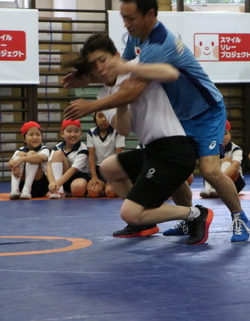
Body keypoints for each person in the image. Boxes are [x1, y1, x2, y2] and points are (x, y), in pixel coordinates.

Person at [62, 0, 250, 242]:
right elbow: (121, 75)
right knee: (172, 175)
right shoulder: (134, 40)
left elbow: (131, 89)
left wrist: (93, 105)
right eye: (123, 18)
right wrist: (87, 75)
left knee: (210, 170)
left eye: (131, 18)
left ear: (150, 15)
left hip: (205, 110)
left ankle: (239, 217)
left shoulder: (159, 44)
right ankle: (186, 220)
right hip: (179, 114)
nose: (126, 24)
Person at [80, 32, 213, 244]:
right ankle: (143, 222)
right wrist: (121, 101)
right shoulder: (104, 95)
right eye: (94, 65)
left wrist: (128, 70)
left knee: (129, 212)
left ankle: (195, 215)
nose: (100, 68)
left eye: (103, 60)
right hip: (153, 150)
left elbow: (169, 72)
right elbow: (123, 129)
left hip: (174, 147)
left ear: (116, 54)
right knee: (109, 167)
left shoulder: (137, 65)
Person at [200, 120, 245, 198]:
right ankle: (208, 189)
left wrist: (219, 180)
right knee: (208, 164)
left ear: (231, 134)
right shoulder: (211, 148)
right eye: (218, 134)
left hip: (234, 182)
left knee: (227, 160)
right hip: (212, 182)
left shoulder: (236, 148)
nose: (222, 137)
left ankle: (218, 187)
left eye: (225, 133)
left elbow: (235, 165)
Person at [47, 119, 91, 198]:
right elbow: (49, 165)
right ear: (62, 134)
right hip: (61, 178)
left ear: (81, 134)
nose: (73, 134)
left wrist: (57, 184)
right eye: (69, 131)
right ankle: (59, 190)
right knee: (58, 154)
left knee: (78, 188)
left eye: (76, 131)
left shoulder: (83, 149)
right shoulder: (58, 147)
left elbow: (73, 170)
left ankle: (61, 190)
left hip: (78, 176)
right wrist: (51, 182)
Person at [86, 111, 124, 198]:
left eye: (107, 116)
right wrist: (94, 177)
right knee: (93, 192)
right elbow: (91, 155)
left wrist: (114, 177)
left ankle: (106, 189)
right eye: (100, 116)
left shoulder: (118, 132)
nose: (103, 119)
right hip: (98, 170)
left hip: (112, 169)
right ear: (95, 117)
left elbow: (119, 156)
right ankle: (102, 189)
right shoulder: (90, 132)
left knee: (110, 192)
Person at [9, 121, 50, 200]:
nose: (35, 137)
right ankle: (15, 189)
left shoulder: (44, 149)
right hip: (22, 184)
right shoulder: (20, 150)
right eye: (31, 135)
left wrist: (22, 159)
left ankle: (26, 190)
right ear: (24, 139)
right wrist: (14, 166)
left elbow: (42, 158)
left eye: (38, 134)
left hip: (40, 186)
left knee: (31, 154)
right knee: (19, 155)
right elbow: (10, 162)